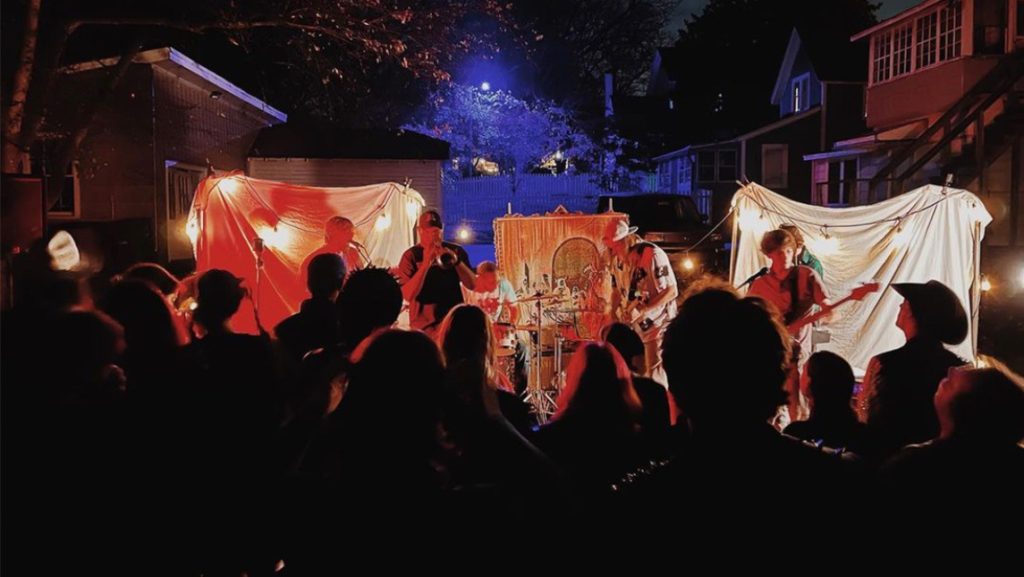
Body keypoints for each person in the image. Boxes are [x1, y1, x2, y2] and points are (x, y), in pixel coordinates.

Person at [859, 280, 967, 454]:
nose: (901, 306)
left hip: (889, 460)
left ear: (912, 312)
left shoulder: (883, 362)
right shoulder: (958, 370)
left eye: (905, 303)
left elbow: (867, 416)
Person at [748, 228, 831, 423]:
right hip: (770, 354)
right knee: (770, 407)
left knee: (798, 406)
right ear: (769, 255)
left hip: (798, 353)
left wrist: (828, 311)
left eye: (788, 251)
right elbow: (749, 317)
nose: (785, 256)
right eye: (779, 252)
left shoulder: (807, 275)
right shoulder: (760, 284)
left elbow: (827, 304)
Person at [600, 218, 678, 385]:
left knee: (655, 374)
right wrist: (613, 311)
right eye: (611, 247)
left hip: (658, 324)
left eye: (616, 246)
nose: (614, 251)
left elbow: (671, 291)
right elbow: (616, 289)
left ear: (627, 240)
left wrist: (644, 309)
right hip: (636, 328)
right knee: (638, 373)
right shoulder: (617, 260)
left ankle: (660, 407)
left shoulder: (652, 255)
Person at [397, 210, 475, 335]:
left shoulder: (455, 250)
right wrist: (426, 263)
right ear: (420, 231)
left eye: (436, 231)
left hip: (453, 323)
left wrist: (457, 262)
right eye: (429, 232)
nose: (433, 236)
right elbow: (407, 295)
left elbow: (472, 285)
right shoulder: (410, 256)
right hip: (423, 328)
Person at [300, 216, 365, 283]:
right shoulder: (315, 259)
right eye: (345, 230)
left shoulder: (352, 252)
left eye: (351, 231)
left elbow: (362, 274)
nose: (351, 235)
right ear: (332, 235)